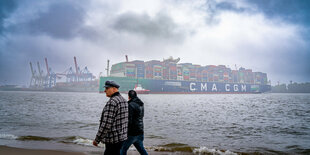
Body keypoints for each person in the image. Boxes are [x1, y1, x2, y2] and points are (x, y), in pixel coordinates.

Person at [93, 80, 128, 155]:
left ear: (114, 89)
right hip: (122, 138)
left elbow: (106, 124)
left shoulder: (112, 102)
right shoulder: (124, 100)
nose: (105, 90)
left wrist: (97, 139)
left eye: (107, 88)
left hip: (113, 140)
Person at [121, 90, 148, 155]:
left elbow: (129, 120)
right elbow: (141, 116)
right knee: (141, 150)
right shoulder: (141, 104)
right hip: (140, 131)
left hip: (132, 133)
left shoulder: (130, 105)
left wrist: (125, 132)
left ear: (129, 96)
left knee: (122, 149)